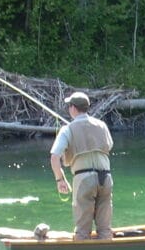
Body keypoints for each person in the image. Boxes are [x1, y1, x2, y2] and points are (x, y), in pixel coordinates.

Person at [49, 91, 114, 239]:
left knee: (82, 232)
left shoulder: (67, 129)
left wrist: (60, 179)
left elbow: (54, 157)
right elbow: (109, 146)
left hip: (84, 179)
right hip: (106, 178)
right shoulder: (102, 125)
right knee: (105, 229)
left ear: (72, 108)